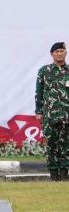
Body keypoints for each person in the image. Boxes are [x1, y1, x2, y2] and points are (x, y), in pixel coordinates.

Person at [35, 41, 69, 180]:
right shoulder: (44, 71)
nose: (59, 54)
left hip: (67, 114)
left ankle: (65, 174)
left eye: (62, 51)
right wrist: (38, 111)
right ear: (52, 54)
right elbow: (39, 92)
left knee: (66, 145)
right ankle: (54, 175)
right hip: (49, 115)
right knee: (51, 145)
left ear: (65, 53)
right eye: (57, 52)